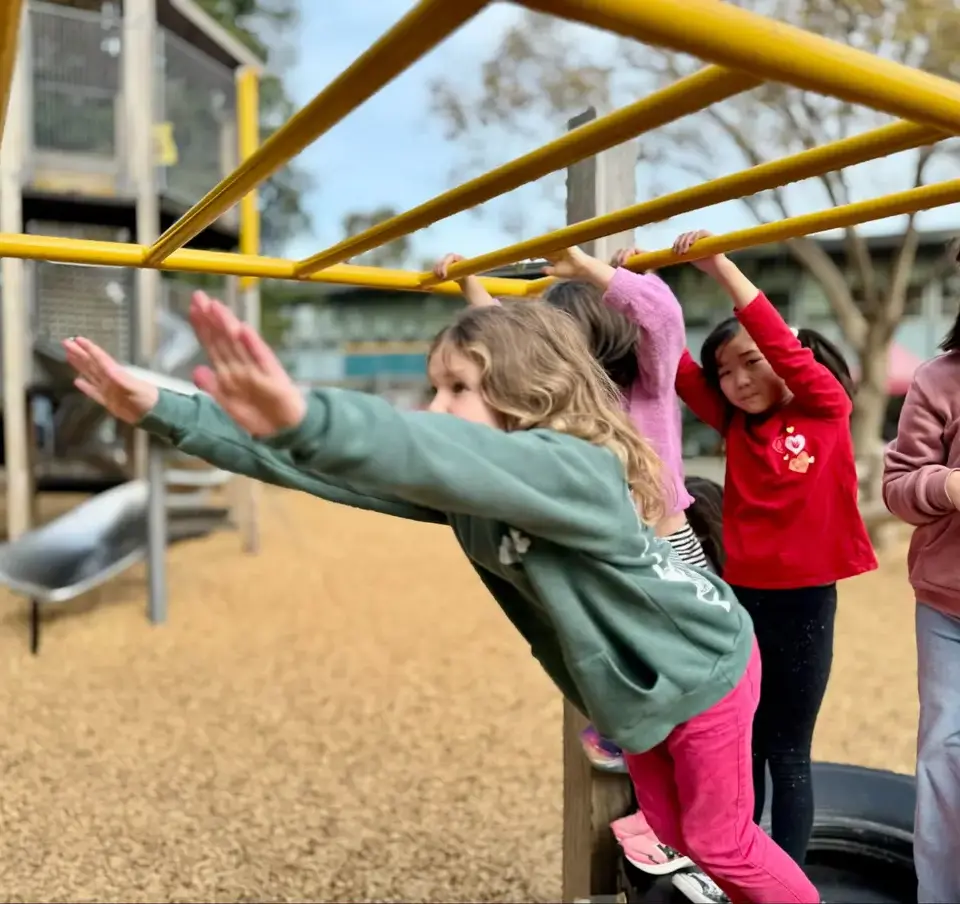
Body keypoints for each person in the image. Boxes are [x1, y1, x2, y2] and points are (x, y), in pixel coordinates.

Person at [64, 291, 821, 904]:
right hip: (639, 687)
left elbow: (416, 444)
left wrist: (306, 415)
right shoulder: (470, 491)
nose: (435, 404)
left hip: (704, 667)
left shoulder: (575, 471)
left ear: (528, 394)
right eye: (436, 384)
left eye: (458, 387)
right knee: (672, 830)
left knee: (722, 840)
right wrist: (164, 408)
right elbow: (336, 471)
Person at [435, 249, 720, 900]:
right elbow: (509, 345)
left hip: (664, 538)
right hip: (605, 548)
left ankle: (691, 796)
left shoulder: (646, 384)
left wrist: (589, 268)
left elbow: (665, 315)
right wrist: (468, 284)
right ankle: (634, 738)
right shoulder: (565, 401)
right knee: (593, 633)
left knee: (691, 658)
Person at [672, 229, 878, 872]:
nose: (736, 381)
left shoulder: (824, 409)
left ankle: (785, 875)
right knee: (745, 742)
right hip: (744, 596)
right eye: (725, 373)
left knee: (787, 746)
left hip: (806, 602)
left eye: (751, 363)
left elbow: (784, 349)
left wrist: (720, 267)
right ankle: (748, 863)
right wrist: (626, 290)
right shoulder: (737, 426)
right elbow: (673, 369)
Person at [882, 300, 960, 904]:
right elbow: (899, 488)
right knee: (946, 759)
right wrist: (947, 484)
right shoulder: (939, 378)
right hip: (949, 604)